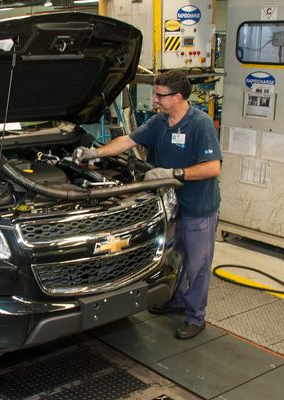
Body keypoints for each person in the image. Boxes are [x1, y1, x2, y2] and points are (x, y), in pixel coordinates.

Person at [73, 70, 222, 340]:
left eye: (161, 95)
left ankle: (195, 317)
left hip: (198, 208)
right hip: (168, 206)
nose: (155, 100)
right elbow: (128, 141)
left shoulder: (200, 124)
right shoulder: (160, 122)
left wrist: (175, 174)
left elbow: (213, 167)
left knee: (196, 266)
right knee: (172, 257)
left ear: (178, 97)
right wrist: (95, 152)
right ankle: (175, 302)